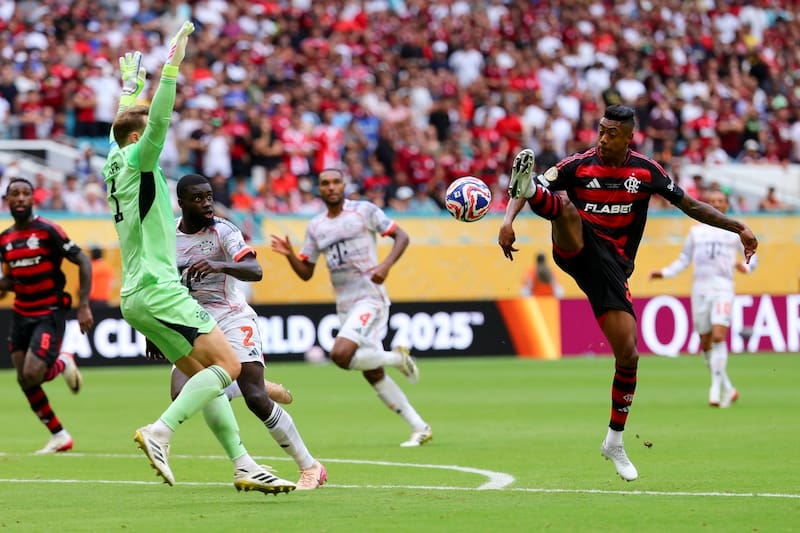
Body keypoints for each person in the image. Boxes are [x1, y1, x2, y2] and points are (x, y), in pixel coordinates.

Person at [498, 105, 758, 481]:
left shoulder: (647, 171)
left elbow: (691, 206)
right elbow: (533, 192)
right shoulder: (579, 164)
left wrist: (738, 227)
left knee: (629, 353)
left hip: (614, 270)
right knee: (566, 209)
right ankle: (535, 190)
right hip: (577, 247)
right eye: (600, 131)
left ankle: (614, 442)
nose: (602, 139)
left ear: (628, 137)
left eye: (610, 133)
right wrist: (507, 220)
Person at [102, 25, 294, 493]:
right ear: (137, 135)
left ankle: (243, 463)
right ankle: (159, 432)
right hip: (160, 287)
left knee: (200, 372)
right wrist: (171, 69)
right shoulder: (138, 160)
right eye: (144, 128)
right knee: (227, 368)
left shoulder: (111, 159)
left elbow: (124, 123)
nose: (154, 134)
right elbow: (157, 122)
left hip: (135, 293)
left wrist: (129, 88)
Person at [170, 173, 326, 490]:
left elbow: (255, 270)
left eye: (209, 196)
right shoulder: (167, 236)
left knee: (256, 398)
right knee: (181, 393)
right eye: (198, 198)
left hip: (231, 318)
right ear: (182, 202)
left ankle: (310, 467)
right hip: (195, 322)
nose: (207, 203)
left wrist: (220, 265)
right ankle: (245, 383)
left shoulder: (224, 230)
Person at [270, 168, 432, 447]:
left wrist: (385, 265)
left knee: (341, 355)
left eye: (335, 182)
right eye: (325, 183)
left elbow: (402, 236)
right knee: (372, 372)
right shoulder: (316, 226)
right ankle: (420, 427)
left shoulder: (364, 211)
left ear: (344, 185)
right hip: (345, 305)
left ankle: (396, 359)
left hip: (370, 297)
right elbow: (306, 272)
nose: (331, 187)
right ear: (319, 189)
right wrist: (289, 256)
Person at [0, 177, 94, 453]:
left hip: (48, 312)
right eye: (14, 194)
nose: (19, 198)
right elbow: (10, 281)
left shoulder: (48, 230)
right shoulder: (5, 240)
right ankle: (59, 435)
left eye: (25, 194)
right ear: (7, 201)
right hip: (20, 314)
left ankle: (63, 363)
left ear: (32, 199)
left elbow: (83, 260)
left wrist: (84, 304)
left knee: (33, 373)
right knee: (24, 378)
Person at [650, 190, 756, 408]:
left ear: (727, 206)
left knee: (718, 336)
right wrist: (665, 273)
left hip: (723, 289)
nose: (717, 204)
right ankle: (728, 387)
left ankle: (715, 391)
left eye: (721, 201)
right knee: (706, 342)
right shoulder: (696, 233)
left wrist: (746, 268)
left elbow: (753, 256)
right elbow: (683, 260)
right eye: (713, 202)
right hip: (700, 290)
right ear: (708, 205)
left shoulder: (735, 232)